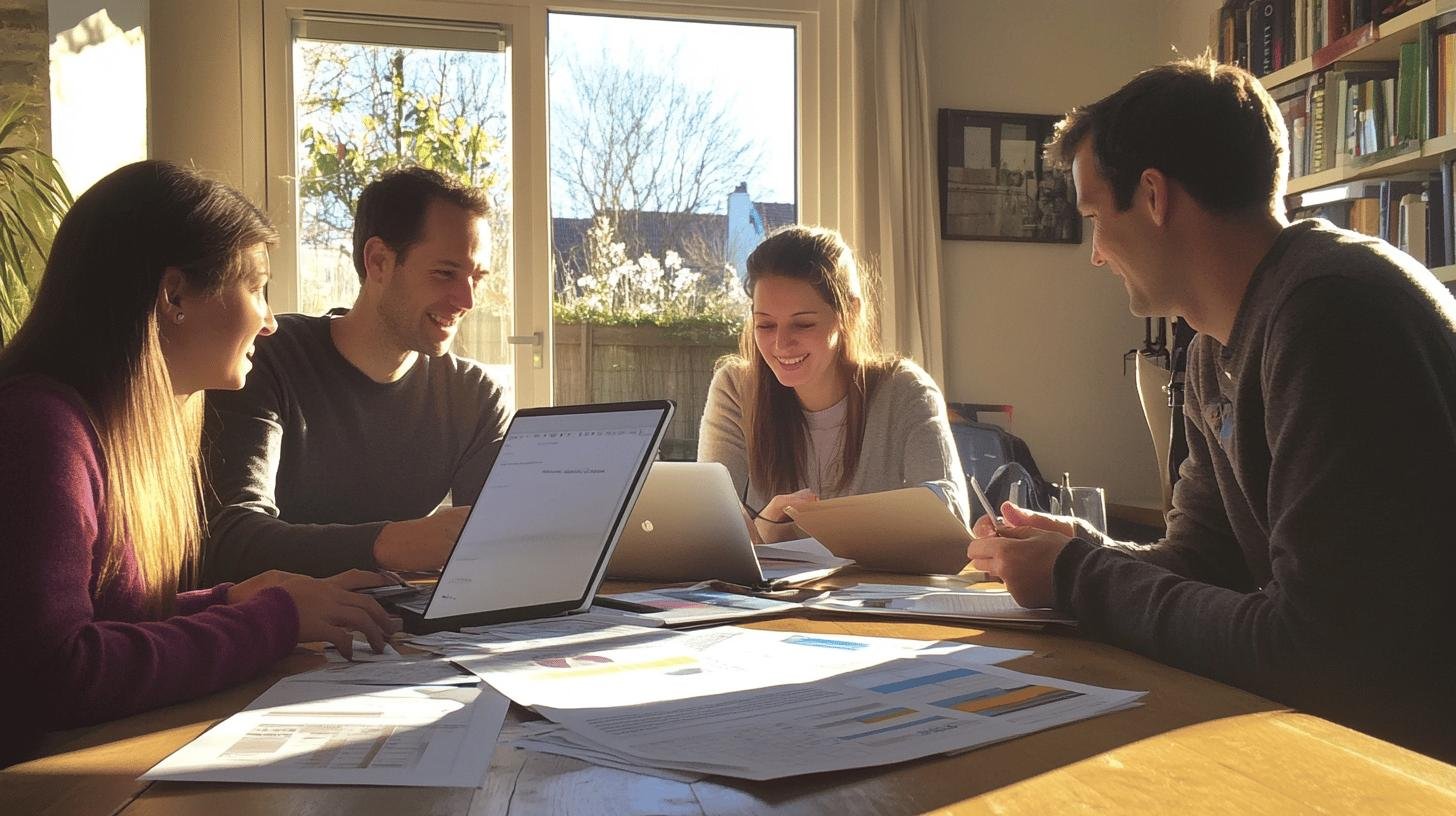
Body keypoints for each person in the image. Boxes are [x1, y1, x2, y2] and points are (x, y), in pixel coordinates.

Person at [966, 56, 1456, 760]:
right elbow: (1204, 564)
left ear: (1156, 196)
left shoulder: (1332, 314)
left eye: (1097, 218)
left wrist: (1076, 575)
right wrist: (1078, 548)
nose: (1097, 255)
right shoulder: (1211, 348)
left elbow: (1316, 650)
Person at [0, 161, 395, 766]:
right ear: (175, 295)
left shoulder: (109, 430)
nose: (268, 321)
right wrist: (275, 620)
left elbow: (114, 618)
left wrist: (229, 600)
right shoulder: (39, 429)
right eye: (257, 286)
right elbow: (55, 671)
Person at [203, 166, 509, 583]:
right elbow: (229, 541)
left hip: (399, 635)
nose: (467, 299)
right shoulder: (265, 357)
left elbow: (491, 556)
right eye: (445, 273)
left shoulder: (474, 396)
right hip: (280, 631)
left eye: (476, 277)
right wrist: (388, 544)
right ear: (379, 261)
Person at [698, 225, 969, 545]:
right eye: (765, 324)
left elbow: (950, 516)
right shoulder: (735, 389)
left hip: (876, 593)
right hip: (773, 594)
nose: (781, 344)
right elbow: (709, 525)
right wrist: (767, 526)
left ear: (849, 314)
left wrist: (783, 528)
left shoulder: (905, 391)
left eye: (803, 323)